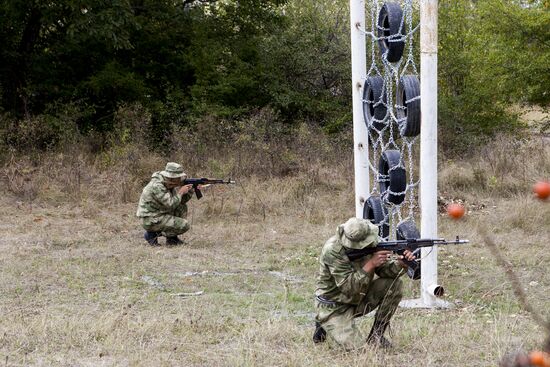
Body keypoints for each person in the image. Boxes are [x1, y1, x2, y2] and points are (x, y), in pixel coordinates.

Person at [313, 217, 416, 350]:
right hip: (334, 306)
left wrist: (401, 264)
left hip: (358, 299)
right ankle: (323, 321)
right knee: (358, 350)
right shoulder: (333, 250)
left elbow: (384, 271)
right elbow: (348, 288)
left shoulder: (370, 243)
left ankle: (376, 337)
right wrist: (371, 263)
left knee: (394, 285)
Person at [136, 162, 198, 246]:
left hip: (159, 213)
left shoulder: (168, 183)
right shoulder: (157, 186)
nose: (180, 179)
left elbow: (181, 201)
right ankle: (151, 234)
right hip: (149, 218)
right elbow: (171, 204)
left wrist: (191, 190)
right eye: (178, 177)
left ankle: (172, 240)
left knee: (181, 207)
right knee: (184, 225)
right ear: (171, 177)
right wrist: (180, 192)